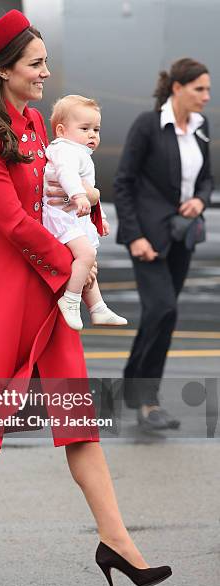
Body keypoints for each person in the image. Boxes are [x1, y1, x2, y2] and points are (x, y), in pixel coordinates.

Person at [0, 9, 172, 586]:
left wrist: (88, 210)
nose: (47, 72)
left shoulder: (34, 125)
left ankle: (118, 541)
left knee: (78, 417)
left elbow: (53, 198)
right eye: (36, 64)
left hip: (45, 290)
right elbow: (11, 221)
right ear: (4, 70)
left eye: (45, 61)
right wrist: (72, 260)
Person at [113, 58, 213, 431]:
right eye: (199, 88)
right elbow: (123, 183)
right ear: (177, 88)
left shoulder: (202, 128)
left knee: (159, 315)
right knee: (164, 310)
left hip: (181, 237)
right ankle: (148, 402)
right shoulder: (148, 125)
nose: (206, 96)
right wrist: (135, 236)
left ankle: (131, 384)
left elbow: (206, 179)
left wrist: (201, 200)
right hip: (148, 239)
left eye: (207, 89)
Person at [42, 94, 128, 330]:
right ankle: (70, 299)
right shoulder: (65, 151)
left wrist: (100, 217)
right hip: (59, 214)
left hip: (71, 214)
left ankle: (97, 306)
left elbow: (90, 189)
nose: (92, 135)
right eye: (85, 128)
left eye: (96, 129)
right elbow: (67, 175)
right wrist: (79, 195)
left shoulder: (78, 152)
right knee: (87, 255)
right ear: (61, 130)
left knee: (89, 260)